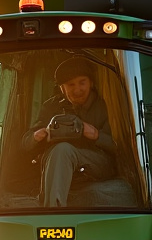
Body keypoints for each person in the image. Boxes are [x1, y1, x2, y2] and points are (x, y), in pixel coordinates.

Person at [25, 57, 116, 207]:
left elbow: (122, 147)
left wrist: (96, 135)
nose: (77, 90)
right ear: (62, 88)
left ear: (91, 83)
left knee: (63, 150)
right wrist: (37, 136)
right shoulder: (51, 107)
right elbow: (24, 144)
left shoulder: (106, 105)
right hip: (58, 160)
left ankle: (53, 212)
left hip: (97, 162)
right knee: (60, 150)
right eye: (70, 84)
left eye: (82, 82)